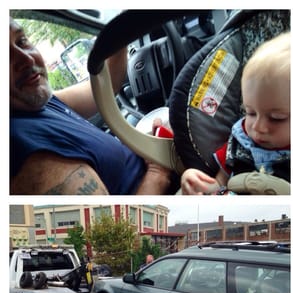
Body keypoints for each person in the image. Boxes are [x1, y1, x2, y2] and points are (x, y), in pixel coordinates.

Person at [10, 17, 172, 195]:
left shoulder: (37, 102)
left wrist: (120, 33)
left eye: (21, 41)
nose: (27, 60)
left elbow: (103, 89)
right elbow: (117, 223)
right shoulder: (24, 152)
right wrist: (158, 172)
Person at [181, 32, 290, 195]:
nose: (258, 127)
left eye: (276, 118)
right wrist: (201, 185)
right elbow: (220, 184)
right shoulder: (240, 141)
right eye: (251, 113)